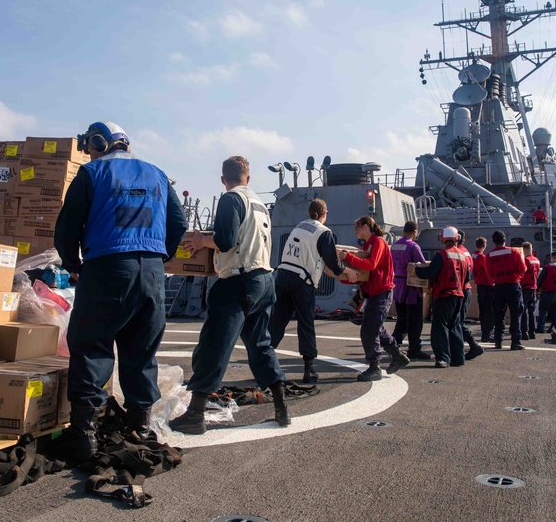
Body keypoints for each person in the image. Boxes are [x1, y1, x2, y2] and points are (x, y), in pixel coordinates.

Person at [52, 122, 187, 460]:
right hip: (152, 273)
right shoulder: (158, 174)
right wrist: (160, 255)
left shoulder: (92, 173)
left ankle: (86, 435)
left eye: (90, 145)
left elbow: (67, 226)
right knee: (141, 351)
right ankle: (140, 426)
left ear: (100, 143)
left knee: (91, 345)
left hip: (107, 267)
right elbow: (180, 223)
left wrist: (74, 264)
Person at [170, 157, 288, 435]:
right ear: (248, 177)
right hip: (264, 281)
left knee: (214, 344)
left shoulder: (230, 200)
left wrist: (200, 241)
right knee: (260, 344)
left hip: (238, 282)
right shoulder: (259, 204)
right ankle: (282, 406)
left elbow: (225, 240)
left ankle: (195, 414)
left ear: (223, 179)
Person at [270, 199, 356, 381]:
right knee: (306, 323)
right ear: (325, 214)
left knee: (278, 320)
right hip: (302, 281)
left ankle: (263, 362)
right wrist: (349, 271)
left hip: (283, 276)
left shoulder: (299, 226)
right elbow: (333, 264)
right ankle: (309, 369)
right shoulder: (324, 232)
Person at [338, 216, 410, 382]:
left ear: (365, 226)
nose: (356, 231)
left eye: (358, 228)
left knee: (369, 330)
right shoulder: (369, 244)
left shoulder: (378, 242)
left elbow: (371, 265)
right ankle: (397, 356)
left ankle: (374, 367)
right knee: (376, 328)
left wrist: (348, 258)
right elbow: (365, 270)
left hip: (381, 292)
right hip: (375, 293)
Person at [413, 226, 470, 368]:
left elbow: (430, 272)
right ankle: (459, 358)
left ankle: (443, 358)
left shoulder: (442, 255)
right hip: (459, 295)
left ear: (442, 239)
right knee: (455, 326)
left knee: (440, 327)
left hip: (444, 295)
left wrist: (415, 269)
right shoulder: (463, 256)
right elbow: (468, 277)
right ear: (457, 238)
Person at [389, 221, 431, 360]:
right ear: (415, 232)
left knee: (402, 318)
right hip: (411, 287)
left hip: (397, 285)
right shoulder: (413, 246)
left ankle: (392, 344)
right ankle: (414, 348)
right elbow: (422, 265)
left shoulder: (394, 246)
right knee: (415, 320)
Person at [487, 230, 527, 350]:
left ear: (493, 241)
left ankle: (498, 341)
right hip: (513, 286)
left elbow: (489, 274)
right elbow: (523, 268)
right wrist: (516, 277)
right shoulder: (514, 251)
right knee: (516, 314)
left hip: (499, 286)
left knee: (499, 315)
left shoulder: (489, 255)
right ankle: (515, 342)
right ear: (504, 240)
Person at [454, 230, 483, 360]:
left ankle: (472, 345)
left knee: (457, 321)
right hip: (466, 289)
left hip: (460, 290)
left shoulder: (458, 253)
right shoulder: (466, 252)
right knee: (458, 321)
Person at [471, 236, 495, 342]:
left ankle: (484, 331)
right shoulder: (482, 258)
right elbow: (487, 272)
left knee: (482, 310)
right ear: (484, 246)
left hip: (479, 284)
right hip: (487, 285)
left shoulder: (473, 256)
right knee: (489, 311)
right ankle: (487, 334)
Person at [537, 252, 556, 332]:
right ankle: (555, 327)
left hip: (547, 290)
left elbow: (540, 279)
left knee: (543, 309)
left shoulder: (546, 267)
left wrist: (537, 289)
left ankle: (540, 327)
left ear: (551, 257)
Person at [521, 242, 541, 338]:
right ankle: (532, 332)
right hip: (533, 287)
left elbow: (522, 274)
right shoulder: (536, 260)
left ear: (524, 249)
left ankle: (524, 332)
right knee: (531, 311)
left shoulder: (525, 260)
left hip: (525, 287)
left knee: (523, 310)